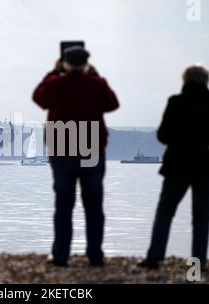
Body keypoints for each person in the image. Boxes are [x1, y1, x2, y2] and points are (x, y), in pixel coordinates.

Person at [140, 64, 209, 270]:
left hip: (177, 165)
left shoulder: (176, 102)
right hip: (208, 165)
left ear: (184, 80)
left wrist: (178, 141)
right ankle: (197, 265)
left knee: (165, 212)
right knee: (201, 217)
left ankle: (154, 258)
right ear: (207, 81)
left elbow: (162, 135)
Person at [32, 46, 119, 267]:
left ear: (65, 63)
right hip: (91, 149)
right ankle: (95, 256)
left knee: (63, 206)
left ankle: (61, 256)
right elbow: (112, 104)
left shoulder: (55, 83)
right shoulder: (96, 84)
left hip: (62, 149)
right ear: (86, 63)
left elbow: (38, 98)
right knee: (94, 206)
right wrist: (96, 76)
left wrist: (52, 73)